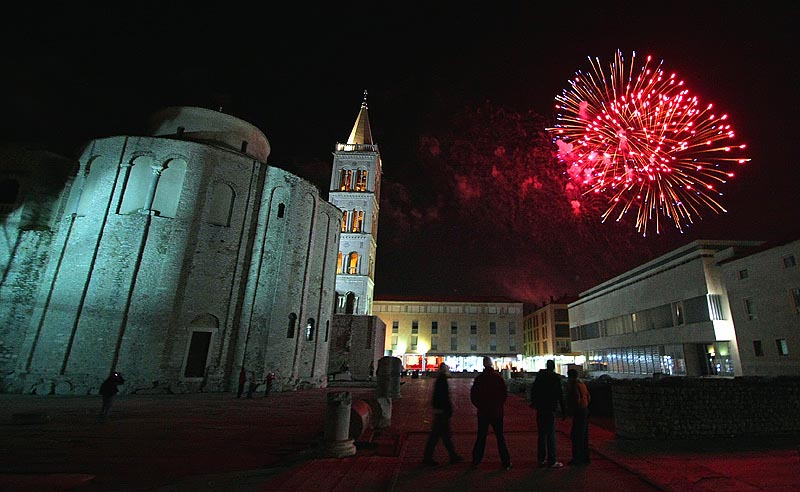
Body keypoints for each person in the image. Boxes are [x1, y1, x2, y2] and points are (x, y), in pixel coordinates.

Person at [470, 356, 511, 470]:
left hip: (483, 412)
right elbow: (504, 394)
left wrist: (480, 406)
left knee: (481, 437)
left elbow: (473, 395)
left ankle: (476, 460)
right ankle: (506, 462)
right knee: (500, 437)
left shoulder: (480, 379)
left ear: (483, 365)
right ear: (491, 364)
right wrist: (498, 405)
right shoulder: (497, 378)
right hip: (496, 412)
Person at [422, 363, 464, 466]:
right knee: (439, 435)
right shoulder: (442, 380)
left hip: (440, 411)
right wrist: (447, 409)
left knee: (441, 435)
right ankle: (432, 457)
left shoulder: (440, 379)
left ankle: (451, 455)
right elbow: (443, 396)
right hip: (442, 412)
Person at [529, 359, 566, 468]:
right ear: (553, 367)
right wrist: (564, 410)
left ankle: (541, 458)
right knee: (550, 434)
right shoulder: (555, 378)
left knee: (541, 434)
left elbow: (534, 390)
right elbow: (560, 394)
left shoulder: (540, 377)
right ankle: (552, 460)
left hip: (541, 408)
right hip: (550, 408)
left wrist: (534, 403)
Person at [566, 368, 591, 465]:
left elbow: (576, 398)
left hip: (579, 411)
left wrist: (572, 409)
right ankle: (585, 457)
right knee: (584, 436)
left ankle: (577, 458)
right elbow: (588, 396)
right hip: (585, 410)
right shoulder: (582, 384)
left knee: (577, 436)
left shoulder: (574, 385)